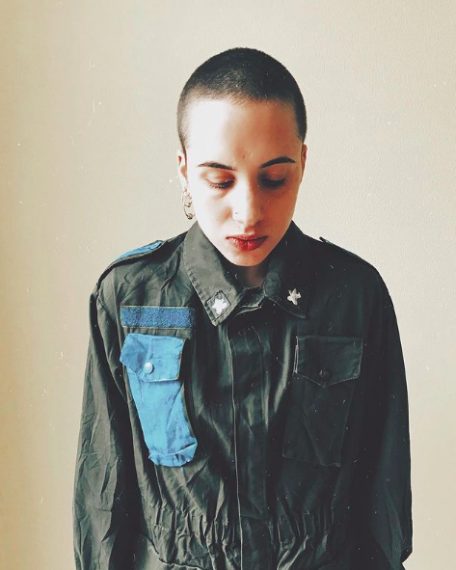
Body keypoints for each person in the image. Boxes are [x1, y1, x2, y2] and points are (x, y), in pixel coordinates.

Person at [72, 47, 413, 569]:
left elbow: (384, 502)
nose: (248, 212)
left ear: (302, 163)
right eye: (220, 180)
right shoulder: (131, 297)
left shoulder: (355, 295)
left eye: (274, 179)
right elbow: (102, 497)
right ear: (185, 172)